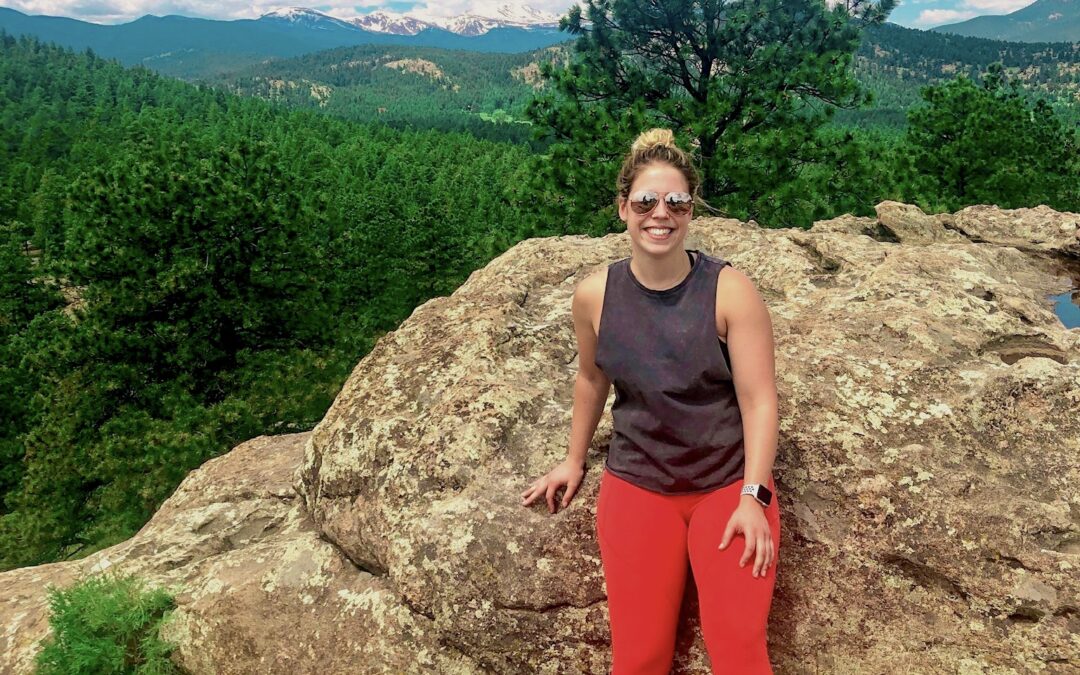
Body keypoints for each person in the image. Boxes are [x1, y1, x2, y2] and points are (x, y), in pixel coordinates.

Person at [520, 128, 781, 674]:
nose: (660, 213)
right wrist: (573, 460)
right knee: (639, 659)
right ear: (622, 208)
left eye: (676, 201)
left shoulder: (729, 291)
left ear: (690, 211)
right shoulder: (596, 296)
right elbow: (593, 380)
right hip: (638, 486)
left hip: (726, 486)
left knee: (739, 653)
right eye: (645, 201)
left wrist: (754, 496)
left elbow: (759, 401)